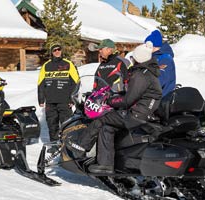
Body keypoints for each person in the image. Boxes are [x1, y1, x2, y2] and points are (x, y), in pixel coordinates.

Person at [66, 41, 162, 174]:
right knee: (107, 127)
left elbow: (129, 99)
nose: (132, 59)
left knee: (102, 119)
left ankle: (81, 146)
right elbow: (132, 93)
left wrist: (110, 100)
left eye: (134, 57)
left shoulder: (141, 75)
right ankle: (105, 164)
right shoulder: (148, 73)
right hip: (141, 112)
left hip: (136, 114)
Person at [37, 43, 79, 153]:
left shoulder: (68, 64)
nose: (57, 51)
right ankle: (54, 145)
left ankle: (67, 145)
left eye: (58, 49)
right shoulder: (46, 65)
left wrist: (73, 99)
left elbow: (76, 83)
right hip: (50, 101)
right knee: (52, 124)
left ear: (61, 51)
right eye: (54, 50)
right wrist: (41, 99)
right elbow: (41, 83)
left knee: (67, 124)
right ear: (51, 52)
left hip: (65, 101)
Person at [144, 30, 176, 97]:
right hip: (154, 96)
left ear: (154, 46)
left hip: (162, 98)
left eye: (147, 46)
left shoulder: (165, 58)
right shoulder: (155, 56)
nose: (145, 48)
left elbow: (160, 81)